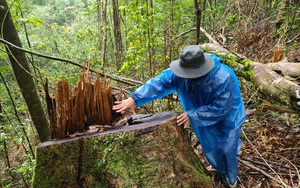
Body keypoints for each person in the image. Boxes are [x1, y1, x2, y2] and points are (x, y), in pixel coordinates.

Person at [112, 45, 246, 187]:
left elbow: (221, 107)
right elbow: (160, 82)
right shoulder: (180, 73)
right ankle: (220, 169)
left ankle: (231, 179)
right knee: (211, 146)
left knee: (227, 147)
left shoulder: (224, 78)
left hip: (228, 118)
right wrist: (135, 98)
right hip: (198, 115)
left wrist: (193, 115)